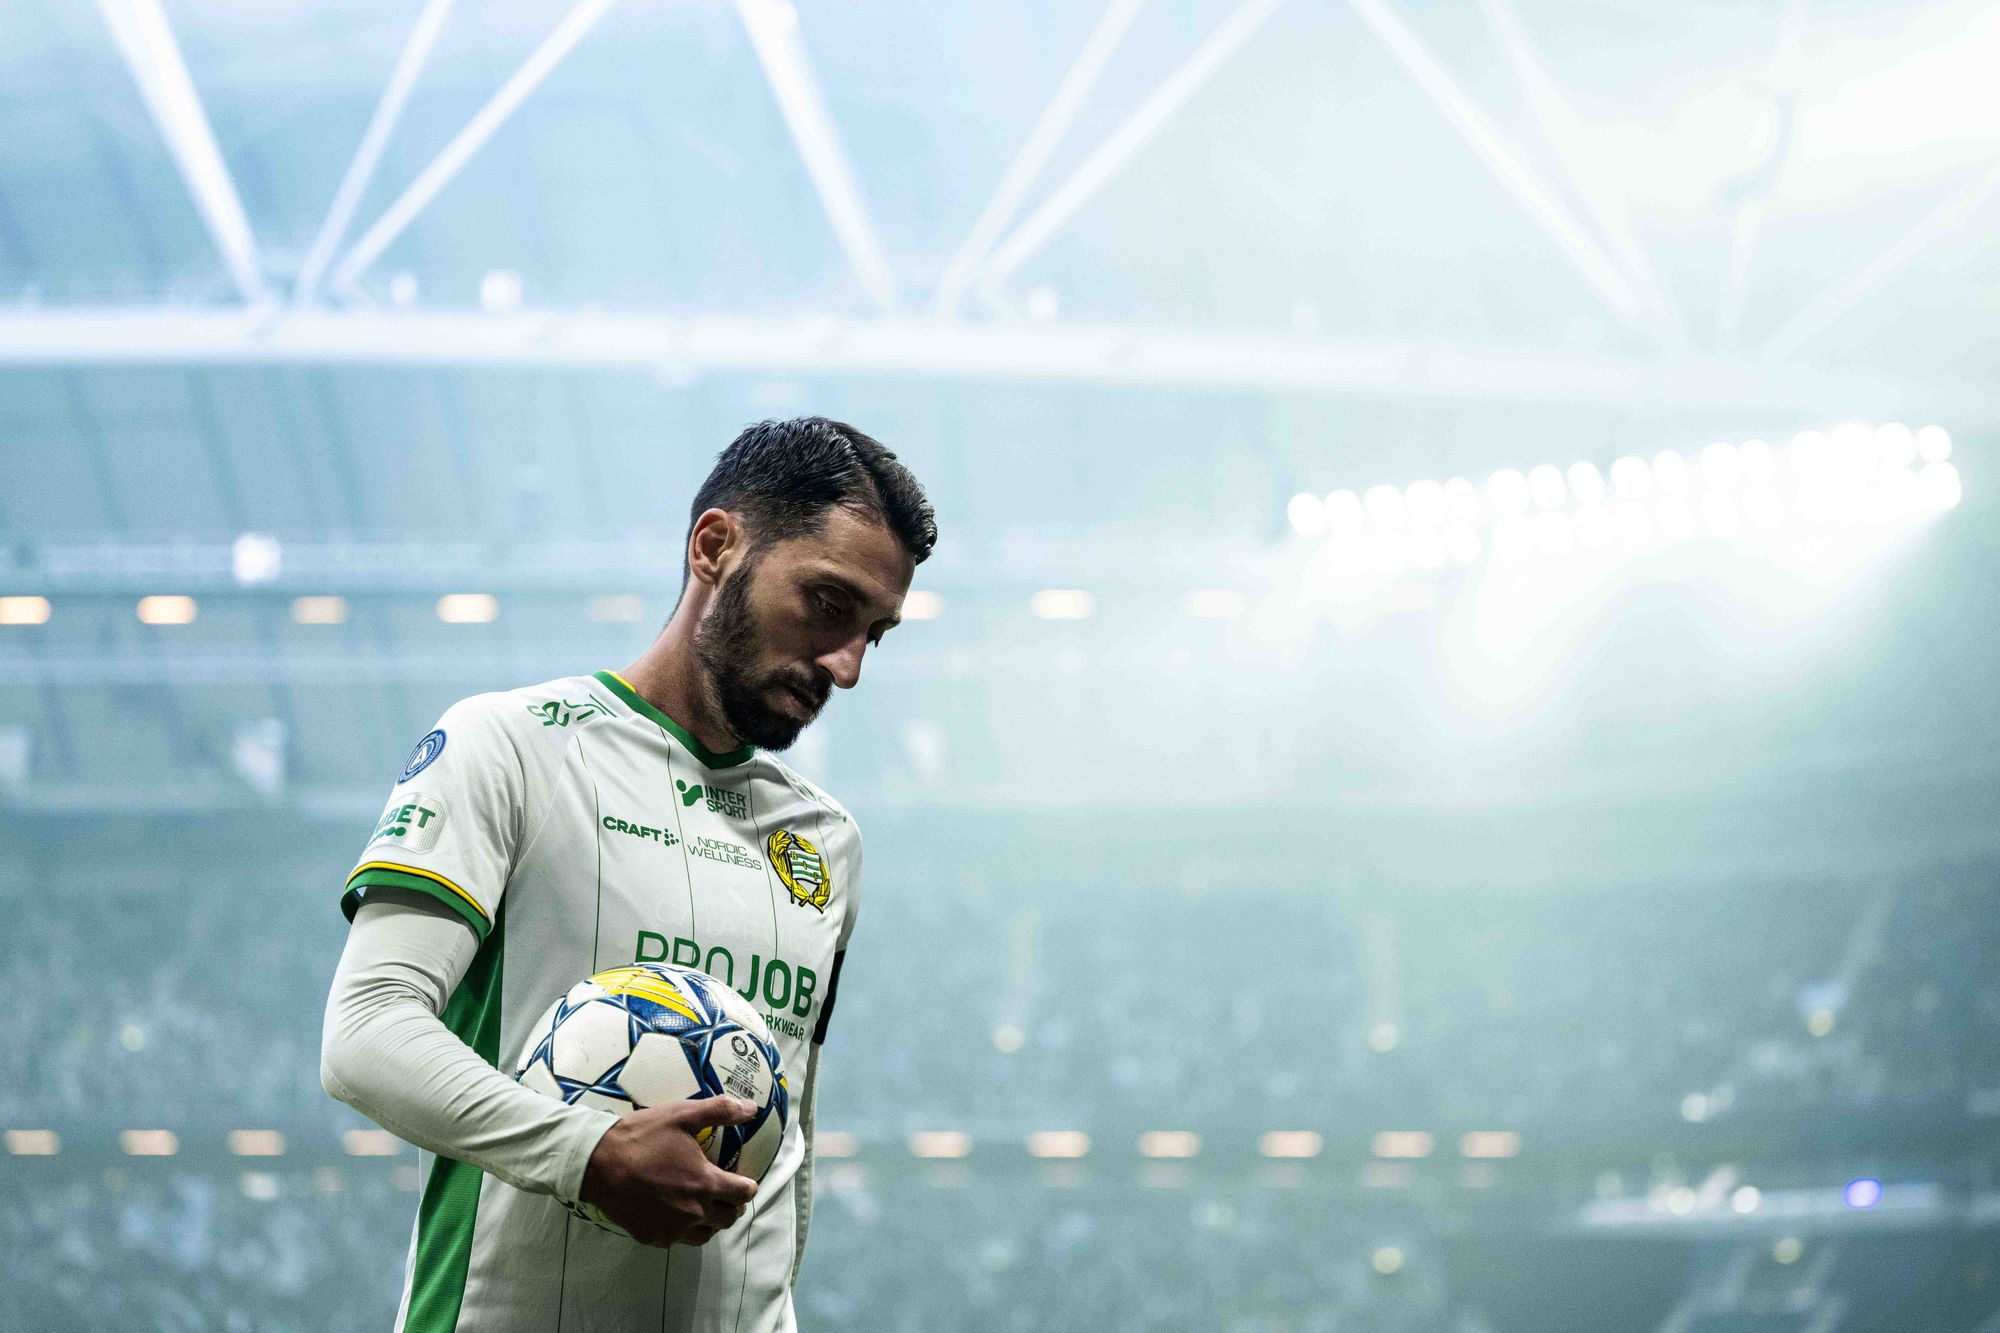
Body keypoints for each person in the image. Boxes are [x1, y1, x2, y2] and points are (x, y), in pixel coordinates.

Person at [320, 417, 935, 1331]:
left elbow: (786, 1140)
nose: (844, 666)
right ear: (715, 547)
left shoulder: (827, 841)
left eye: (873, 635)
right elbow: (366, 1033)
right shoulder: (510, 746)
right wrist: (589, 1151)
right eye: (828, 603)